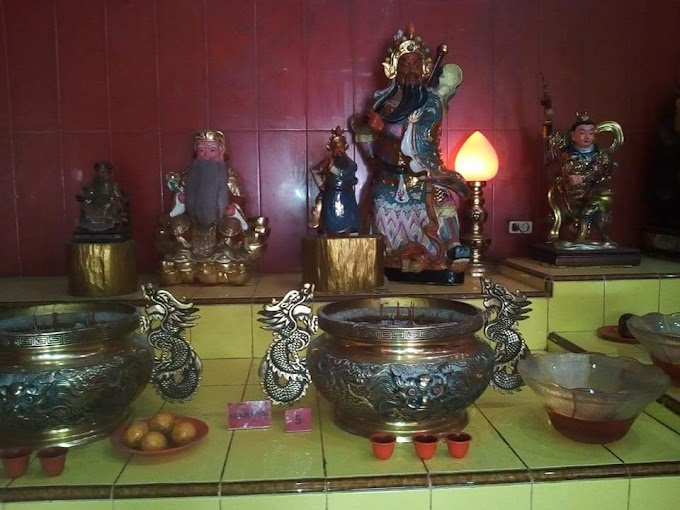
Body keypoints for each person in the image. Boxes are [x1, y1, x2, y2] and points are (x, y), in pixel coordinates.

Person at [351, 23, 470, 281]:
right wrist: (366, 133)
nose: (412, 70)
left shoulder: (431, 103)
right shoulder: (382, 100)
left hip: (422, 175)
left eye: (417, 64)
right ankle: (388, 257)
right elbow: (369, 138)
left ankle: (452, 248)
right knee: (377, 204)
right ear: (394, 68)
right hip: (389, 178)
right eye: (405, 64)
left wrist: (385, 128)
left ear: (425, 68)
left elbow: (421, 131)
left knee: (443, 203)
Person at [156, 130, 269, 285]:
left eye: (212, 150)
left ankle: (225, 251)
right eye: (201, 150)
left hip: (221, 219)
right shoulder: (189, 174)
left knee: (232, 225)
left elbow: (239, 197)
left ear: (221, 151)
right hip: (193, 221)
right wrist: (180, 199)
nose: (206, 155)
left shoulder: (229, 175)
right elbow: (179, 196)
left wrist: (233, 207)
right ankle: (183, 251)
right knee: (177, 224)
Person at [542, 83, 623, 245]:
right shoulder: (566, 153)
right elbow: (549, 139)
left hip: (592, 192)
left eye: (591, 133)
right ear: (573, 136)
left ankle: (588, 232)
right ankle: (574, 232)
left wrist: (584, 178)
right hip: (570, 194)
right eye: (582, 133)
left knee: (602, 199)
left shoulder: (600, 156)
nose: (587, 137)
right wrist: (548, 118)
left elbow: (602, 174)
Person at [308, 126, 360, 236]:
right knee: (327, 214)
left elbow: (345, 174)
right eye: (336, 147)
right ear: (332, 148)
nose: (338, 149)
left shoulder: (350, 164)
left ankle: (352, 229)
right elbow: (315, 170)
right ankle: (324, 228)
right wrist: (321, 185)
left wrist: (333, 169)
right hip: (331, 194)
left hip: (347, 194)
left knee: (351, 216)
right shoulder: (327, 162)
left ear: (345, 147)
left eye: (341, 147)